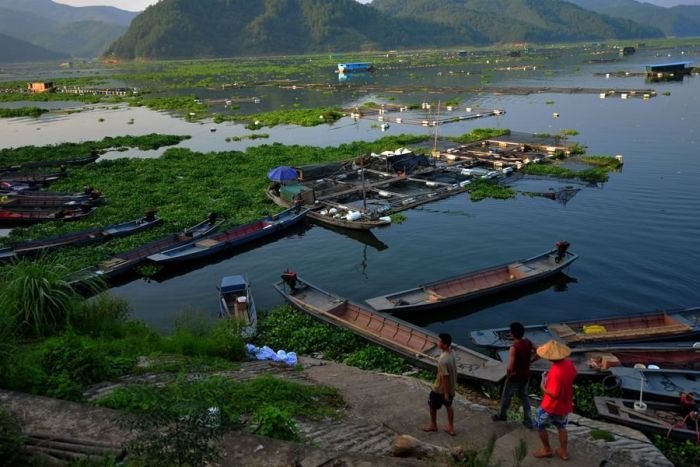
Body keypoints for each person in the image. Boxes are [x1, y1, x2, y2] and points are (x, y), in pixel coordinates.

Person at [533, 339, 577, 461]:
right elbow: (573, 375)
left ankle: (547, 449)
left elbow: (554, 394)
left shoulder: (556, 372)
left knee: (539, 424)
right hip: (565, 404)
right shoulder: (568, 363)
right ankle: (563, 451)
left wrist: (543, 385)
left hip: (550, 405)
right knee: (561, 426)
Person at [492, 322, 537, 428]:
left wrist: (508, 374)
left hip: (515, 376)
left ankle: (502, 415)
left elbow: (510, 366)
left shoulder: (514, 348)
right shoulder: (528, 342)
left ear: (512, 334)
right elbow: (539, 351)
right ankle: (528, 419)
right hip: (525, 375)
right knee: (525, 397)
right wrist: (531, 361)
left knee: (506, 396)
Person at [423, 333, 457, 436]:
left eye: (439, 342)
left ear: (445, 345)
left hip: (440, 389)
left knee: (432, 405)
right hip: (451, 387)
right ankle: (451, 427)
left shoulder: (442, 360)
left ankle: (433, 425)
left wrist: (445, 393)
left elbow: (445, 377)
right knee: (448, 406)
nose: (437, 343)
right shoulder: (452, 353)